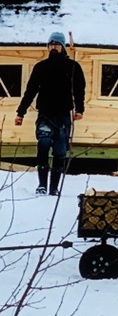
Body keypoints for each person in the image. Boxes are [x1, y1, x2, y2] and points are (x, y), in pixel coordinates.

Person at [14, 30, 86, 196]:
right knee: (43, 144)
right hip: (45, 115)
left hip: (63, 116)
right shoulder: (41, 67)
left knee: (60, 152)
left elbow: (79, 90)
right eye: (51, 44)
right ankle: (41, 185)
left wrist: (80, 109)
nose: (54, 47)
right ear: (48, 46)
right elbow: (30, 91)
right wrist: (20, 112)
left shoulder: (73, 67)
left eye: (57, 44)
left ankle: (54, 188)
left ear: (63, 47)